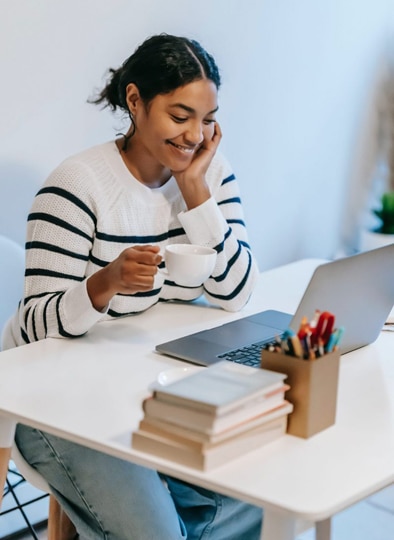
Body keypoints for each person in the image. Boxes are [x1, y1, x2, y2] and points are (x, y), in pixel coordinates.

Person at [3, 34, 262, 539]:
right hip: (52, 401)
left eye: (207, 119)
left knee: (263, 497)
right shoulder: (76, 185)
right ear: (136, 101)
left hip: (146, 389)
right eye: (180, 115)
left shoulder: (209, 176)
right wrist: (106, 282)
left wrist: (196, 194)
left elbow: (237, 292)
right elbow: (35, 327)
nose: (194, 135)